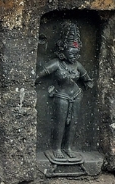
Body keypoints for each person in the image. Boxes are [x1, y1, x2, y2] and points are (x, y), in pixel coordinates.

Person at [36, 21, 93, 163]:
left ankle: (68, 147)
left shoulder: (77, 65)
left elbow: (87, 78)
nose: (74, 54)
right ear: (62, 50)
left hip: (76, 95)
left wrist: (88, 83)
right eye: (71, 51)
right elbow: (39, 74)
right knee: (60, 123)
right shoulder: (56, 64)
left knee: (73, 123)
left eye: (76, 51)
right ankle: (56, 148)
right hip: (61, 96)